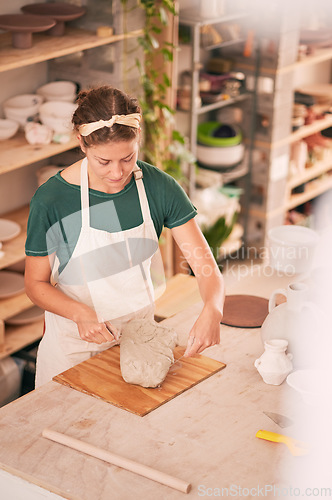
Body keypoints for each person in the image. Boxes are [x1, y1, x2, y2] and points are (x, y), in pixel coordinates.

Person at [24, 86, 225, 387]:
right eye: (104, 162)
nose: (118, 173)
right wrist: (79, 312)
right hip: (72, 351)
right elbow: (35, 284)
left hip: (140, 343)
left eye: (128, 158)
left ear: (138, 140)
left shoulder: (159, 188)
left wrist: (213, 308)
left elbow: (206, 266)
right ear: (81, 142)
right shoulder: (53, 199)